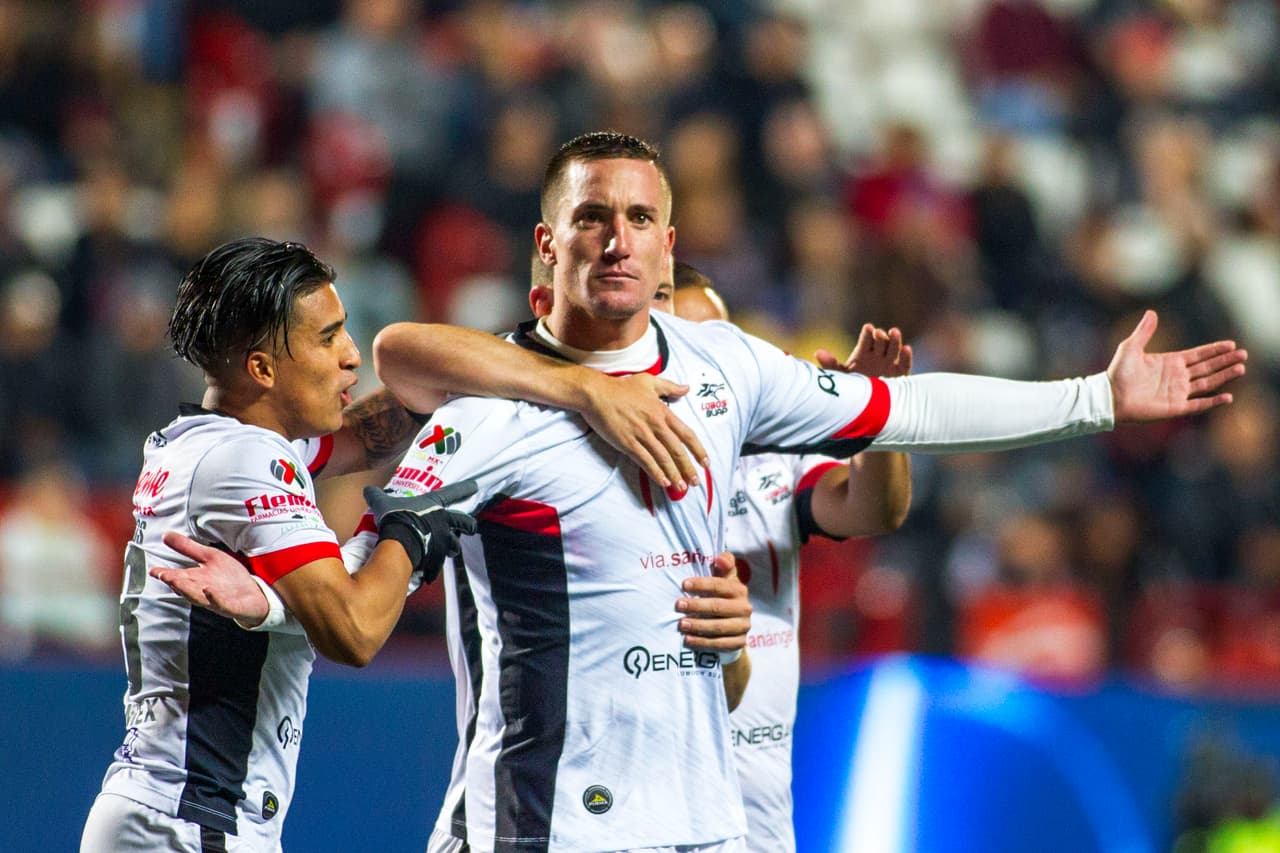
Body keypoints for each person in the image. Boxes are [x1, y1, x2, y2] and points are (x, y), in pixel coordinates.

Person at [364, 131, 1244, 853]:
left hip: (701, 826)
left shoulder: (726, 369)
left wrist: (1095, 398)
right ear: (549, 245)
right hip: (530, 829)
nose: (619, 238)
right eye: (593, 217)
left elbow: (910, 410)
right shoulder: (489, 404)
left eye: (640, 218)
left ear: (669, 243)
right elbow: (399, 356)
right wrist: (585, 387)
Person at [80, 236, 719, 853]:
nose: (352, 356)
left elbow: (409, 407)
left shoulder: (207, 440)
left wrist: (572, 377)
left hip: (174, 811)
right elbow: (354, 631)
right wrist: (405, 532)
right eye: (327, 338)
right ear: (263, 368)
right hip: (195, 820)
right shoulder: (245, 459)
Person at [666, 268, 912, 852]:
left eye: (723, 345)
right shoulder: (603, 469)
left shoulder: (775, 461)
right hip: (644, 804)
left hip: (758, 824)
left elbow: (874, 510)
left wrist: (879, 417)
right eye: (691, 348)